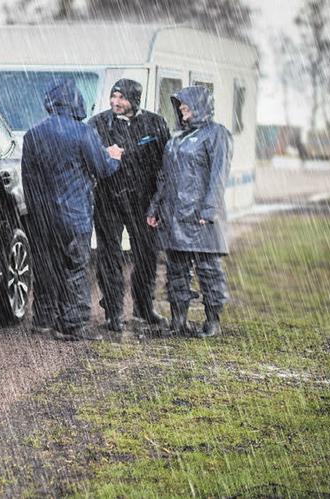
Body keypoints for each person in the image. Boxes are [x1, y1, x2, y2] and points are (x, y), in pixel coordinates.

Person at [22, 79, 120, 341]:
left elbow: (28, 179)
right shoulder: (83, 132)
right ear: (75, 101)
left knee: (46, 268)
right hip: (74, 215)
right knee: (75, 269)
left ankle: (43, 319)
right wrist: (114, 157)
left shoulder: (32, 134)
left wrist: (35, 212)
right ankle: (72, 325)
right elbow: (102, 168)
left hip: (41, 216)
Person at [146, 85, 232, 338]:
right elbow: (165, 177)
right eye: (181, 109)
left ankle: (213, 321)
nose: (183, 114)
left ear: (200, 107)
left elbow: (218, 175)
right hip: (174, 214)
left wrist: (209, 208)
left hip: (200, 215)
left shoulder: (217, 134)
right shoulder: (177, 139)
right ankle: (178, 321)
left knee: (209, 270)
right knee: (176, 270)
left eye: (187, 108)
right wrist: (156, 207)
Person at [88, 79, 171, 333]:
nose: (116, 102)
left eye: (122, 98)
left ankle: (144, 306)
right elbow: (89, 158)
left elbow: (164, 166)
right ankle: (113, 311)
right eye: (114, 96)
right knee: (108, 255)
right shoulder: (98, 124)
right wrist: (105, 154)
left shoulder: (155, 124)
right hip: (108, 199)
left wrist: (158, 203)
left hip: (143, 201)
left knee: (147, 254)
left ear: (135, 99)